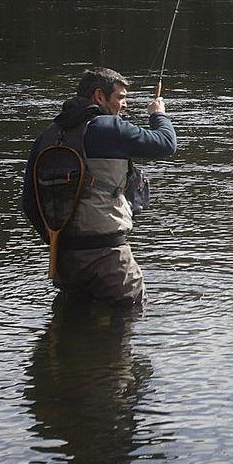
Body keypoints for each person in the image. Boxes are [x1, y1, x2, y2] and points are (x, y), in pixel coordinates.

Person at [22, 67, 177, 306]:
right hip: (110, 260)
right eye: (121, 98)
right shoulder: (109, 128)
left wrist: (56, 242)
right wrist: (158, 115)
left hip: (65, 261)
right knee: (126, 323)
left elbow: (30, 204)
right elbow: (166, 144)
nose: (124, 105)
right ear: (99, 97)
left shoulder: (47, 136)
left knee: (73, 327)